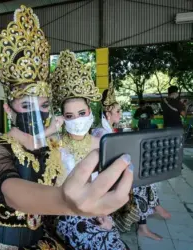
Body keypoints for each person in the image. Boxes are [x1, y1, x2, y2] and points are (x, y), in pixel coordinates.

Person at [0, 6, 133, 249]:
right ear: (9, 110)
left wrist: (93, 209)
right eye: (26, 105)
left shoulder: (49, 147)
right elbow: (11, 190)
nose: (38, 113)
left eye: (44, 105)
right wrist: (66, 201)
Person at [50, 50, 129, 250]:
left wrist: (103, 212)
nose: (77, 120)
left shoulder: (100, 143)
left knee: (112, 242)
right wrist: (49, 130)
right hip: (64, 212)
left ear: (90, 113)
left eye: (81, 113)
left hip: (98, 210)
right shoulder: (53, 143)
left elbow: (108, 185)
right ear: (62, 118)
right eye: (69, 116)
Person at [92, 83, 171, 241]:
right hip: (103, 175)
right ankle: (150, 215)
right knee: (140, 183)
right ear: (108, 114)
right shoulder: (101, 133)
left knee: (142, 177)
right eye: (118, 111)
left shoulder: (107, 129)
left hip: (111, 172)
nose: (120, 114)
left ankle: (148, 217)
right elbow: (105, 162)